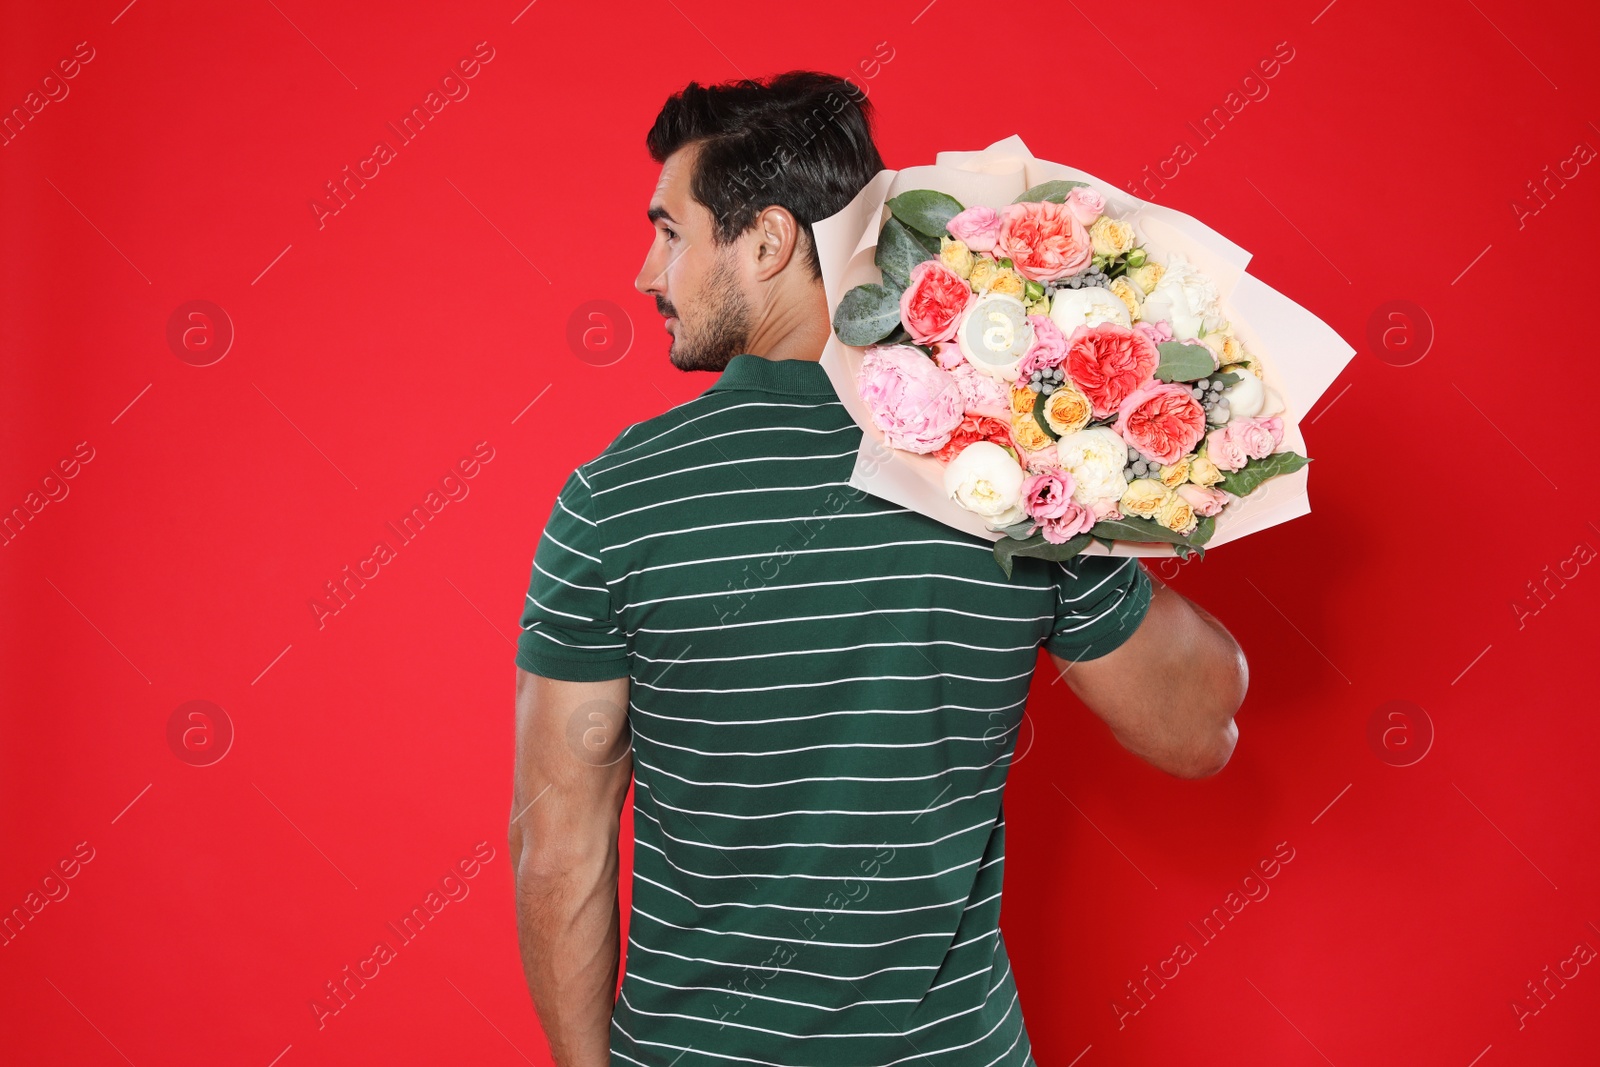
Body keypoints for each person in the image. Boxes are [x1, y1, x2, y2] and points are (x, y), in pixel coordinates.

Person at [509, 70, 1247, 1067]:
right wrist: (1077, 491)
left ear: (767, 241)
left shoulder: (616, 501)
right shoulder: (1004, 477)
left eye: (671, 232)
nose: (648, 272)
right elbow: (1201, 729)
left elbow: (560, 846)